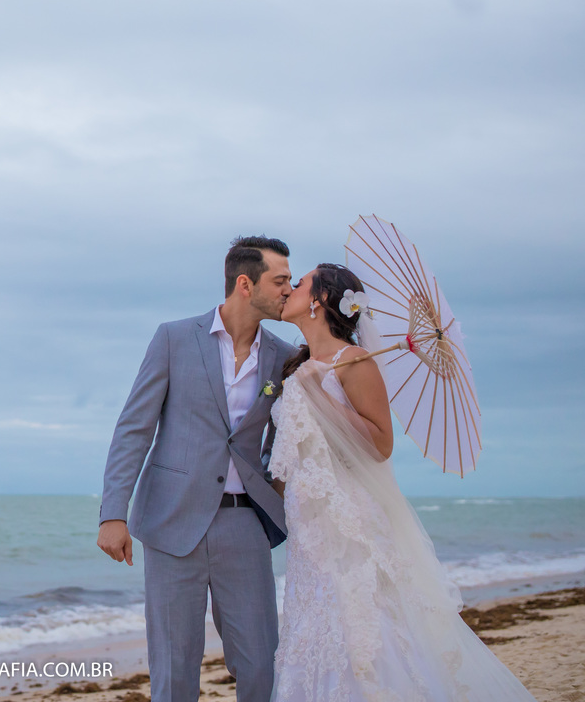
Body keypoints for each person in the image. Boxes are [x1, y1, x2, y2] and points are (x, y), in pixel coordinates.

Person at [269, 263, 536, 701]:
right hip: (309, 529)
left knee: (360, 623)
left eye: (299, 283)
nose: (290, 288)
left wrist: (320, 395)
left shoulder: (352, 361)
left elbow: (380, 443)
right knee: (314, 624)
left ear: (318, 300)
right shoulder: (298, 365)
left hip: (348, 522)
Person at [98, 236, 294, 702]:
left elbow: (283, 444)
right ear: (245, 284)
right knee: (173, 670)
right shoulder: (173, 338)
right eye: (281, 280)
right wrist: (112, 514)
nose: (289, 289)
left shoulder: (285, 358)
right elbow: (134, 429)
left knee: (261, 664)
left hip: (245, 524)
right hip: (172, 523)